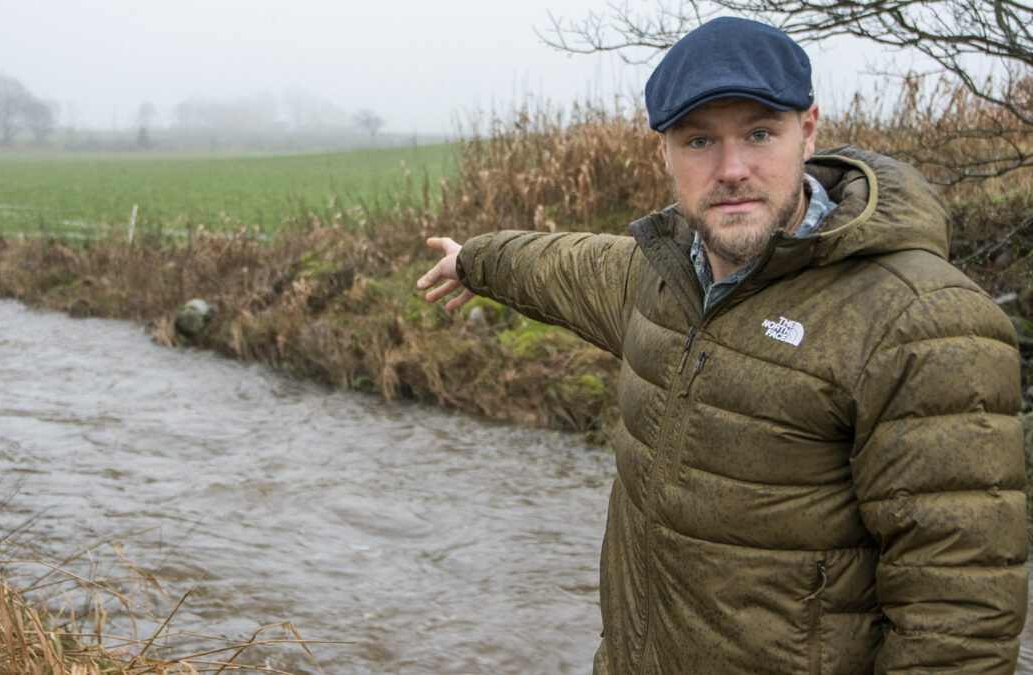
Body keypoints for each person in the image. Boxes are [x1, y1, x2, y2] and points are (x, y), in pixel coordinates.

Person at [417, 16, 1028, 674]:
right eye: (700, 140)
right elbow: (557, 266)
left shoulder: (918, 321)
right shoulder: (660, 278)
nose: (732, 169)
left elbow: (958, 618)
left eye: (759, 133)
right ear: (665, 153)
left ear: (808, 131)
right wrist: (471, 260)